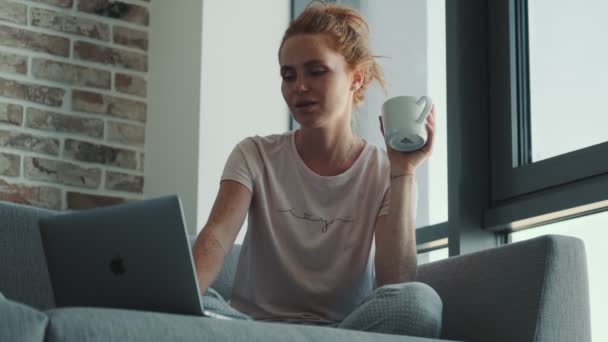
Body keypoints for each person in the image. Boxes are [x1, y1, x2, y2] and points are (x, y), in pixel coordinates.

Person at [192, 1, 442, 337]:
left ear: (357, 78)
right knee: (193, 298)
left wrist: (405, 172)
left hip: (343, 333)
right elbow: (217, 237)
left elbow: (394, 284)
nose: (299, 87)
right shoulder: (254, 154)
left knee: (419, 302)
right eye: (288, 75)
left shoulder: (382, 171)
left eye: (316, 71)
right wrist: (182, 295)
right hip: (254, 331)